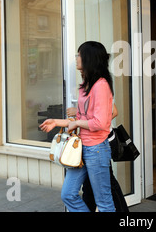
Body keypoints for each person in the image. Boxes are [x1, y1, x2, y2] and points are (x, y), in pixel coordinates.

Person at [40, 41, 115, 212]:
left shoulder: (101, 86)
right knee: (68, 194)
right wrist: (56, 122)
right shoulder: (85, 86)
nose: (76, 58)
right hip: (81, 148)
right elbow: (80, 118)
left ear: (89, 58)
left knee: (104, 203)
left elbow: (100, 123)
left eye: (79, 55)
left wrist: (76, 122)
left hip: (96, 149)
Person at [66, 104, 129, 212]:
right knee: (89, 184)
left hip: (101, 144)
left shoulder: (100, 88)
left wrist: (78, 112)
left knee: (108, 183)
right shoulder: (85, 90)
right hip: (89, 145)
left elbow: (114, 111)